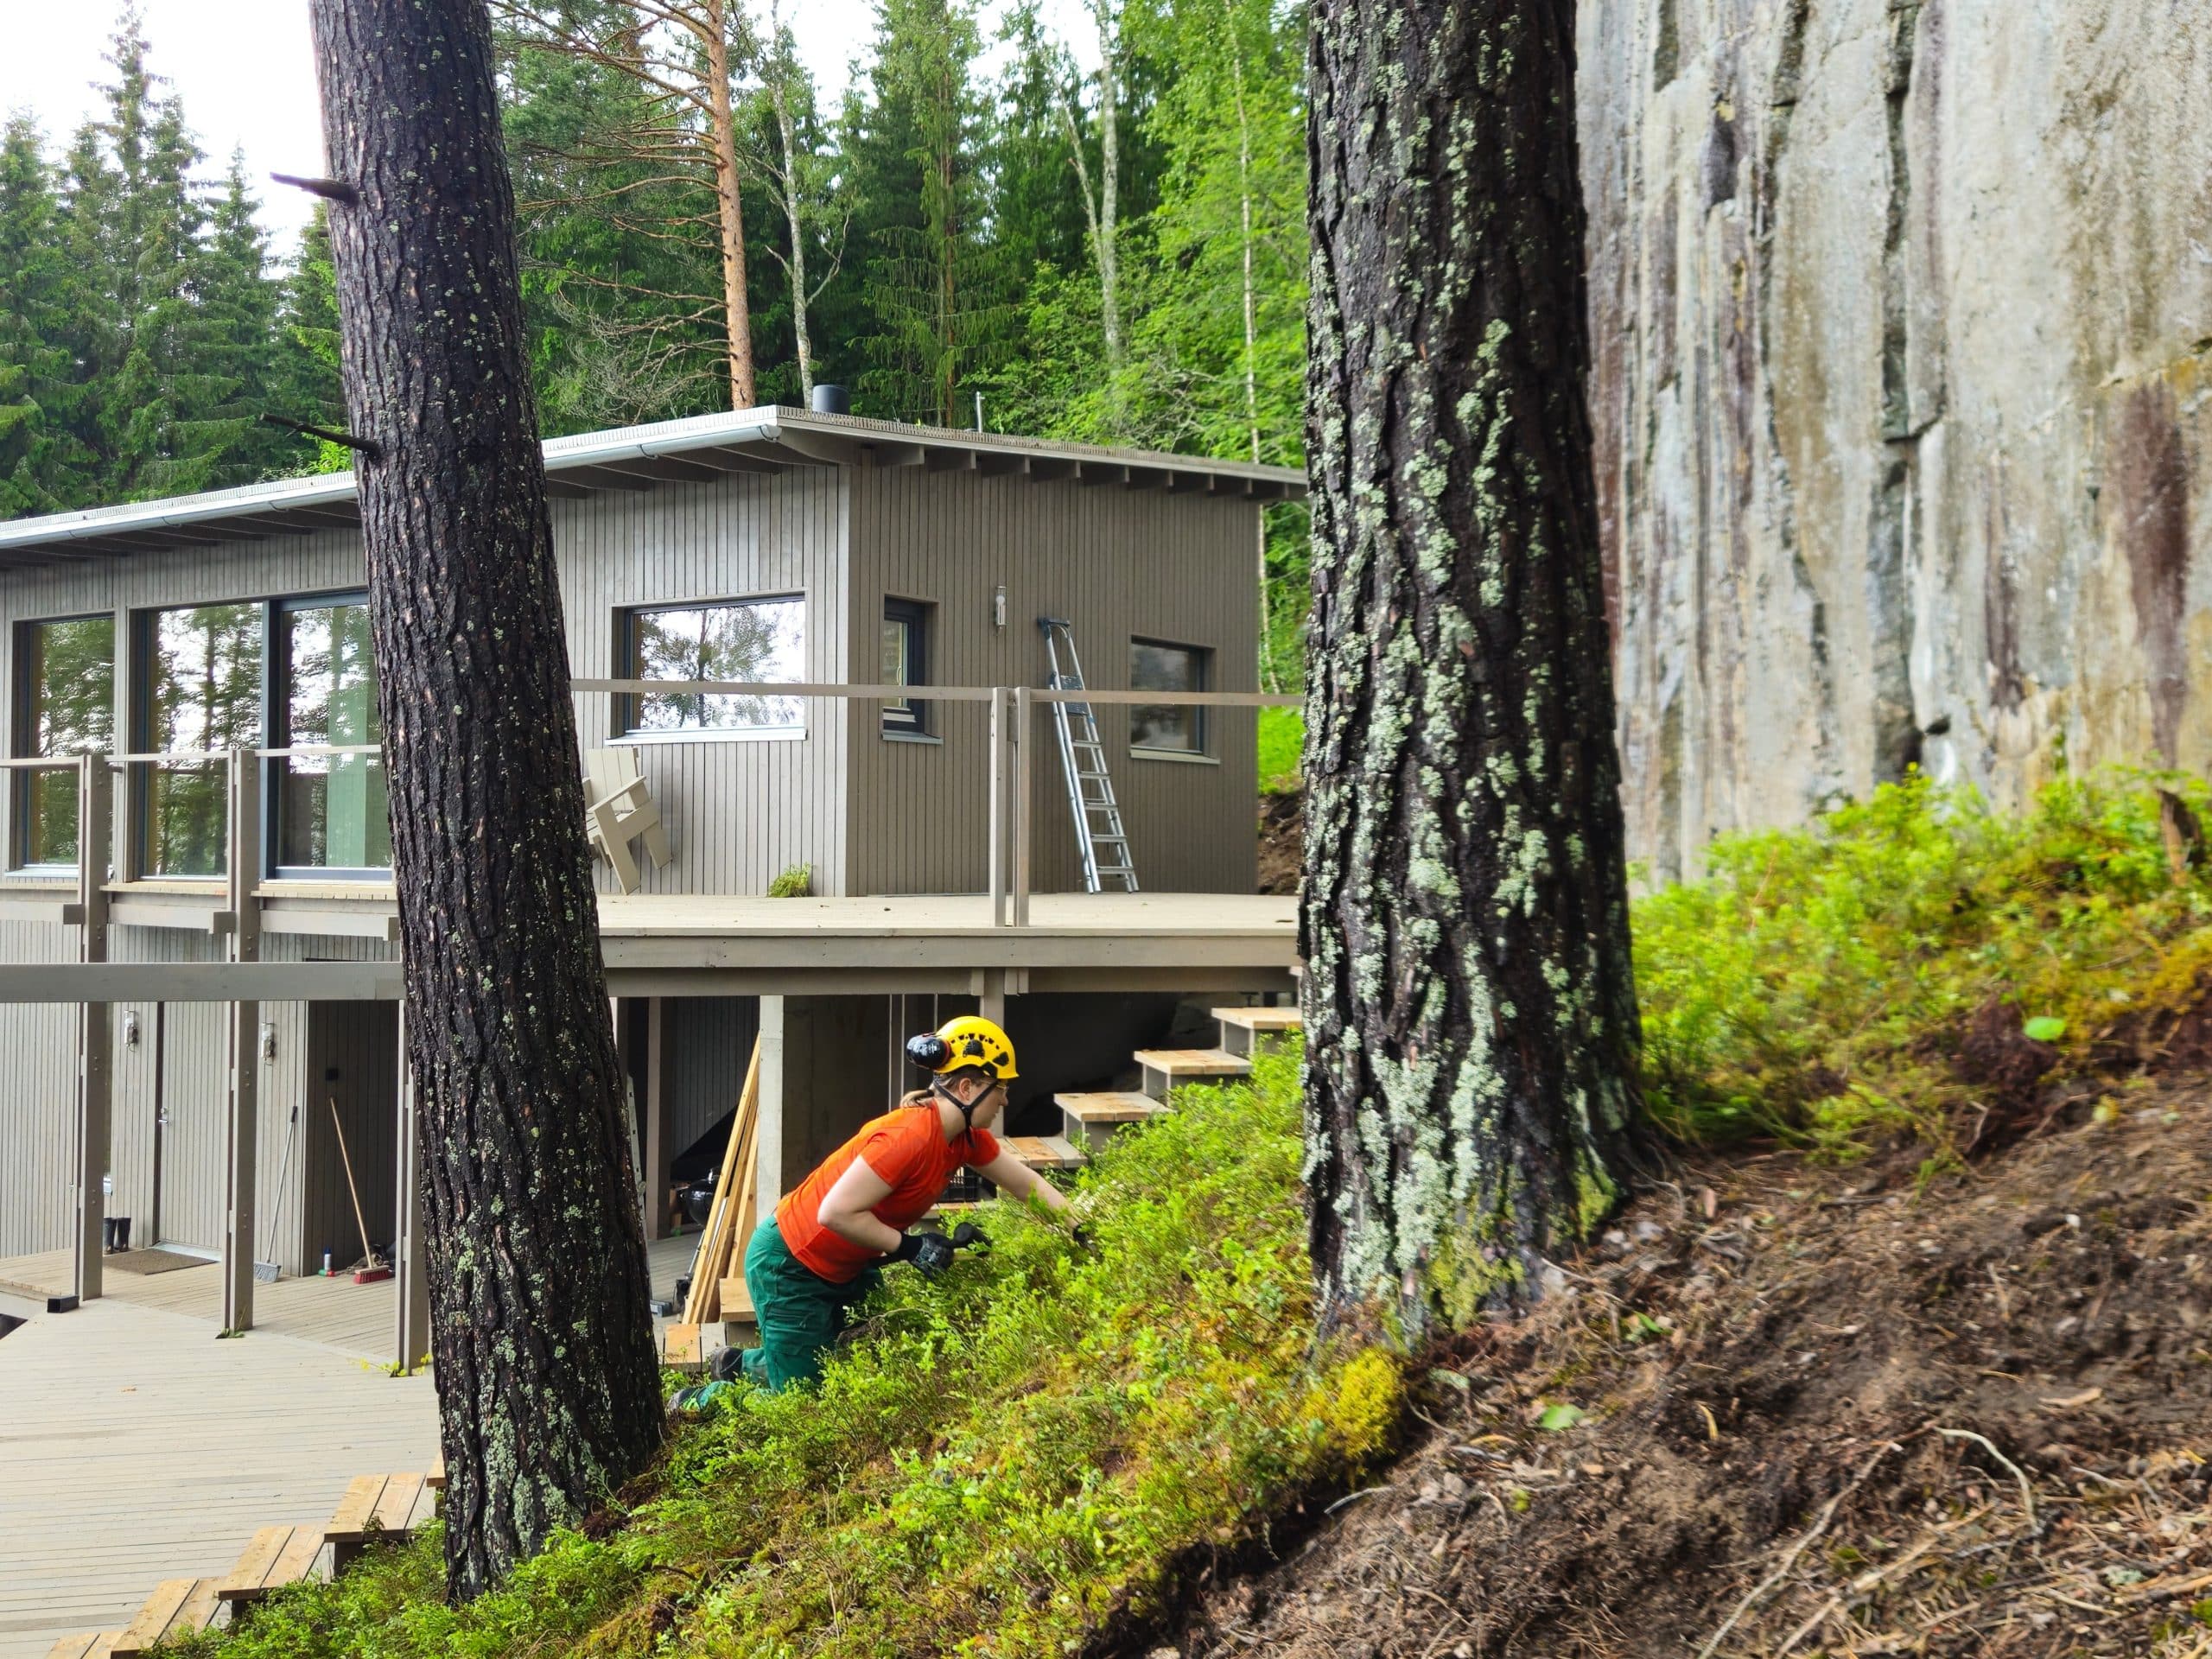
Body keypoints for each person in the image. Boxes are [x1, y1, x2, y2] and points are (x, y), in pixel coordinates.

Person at [737, 1014, 1082, 1391]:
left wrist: (1080, 1229)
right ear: (967, 1088)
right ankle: (700, 1400)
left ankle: (743, 1364)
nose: (1005, 1098)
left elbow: (1025, 1184)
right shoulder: (909, 1138)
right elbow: (835, 1212)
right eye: (999, 1087)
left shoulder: (964, 1139)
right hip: (790, 1264)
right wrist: (911, 1246)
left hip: (848, 1265)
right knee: (801, 1400)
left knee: (868, 1351)